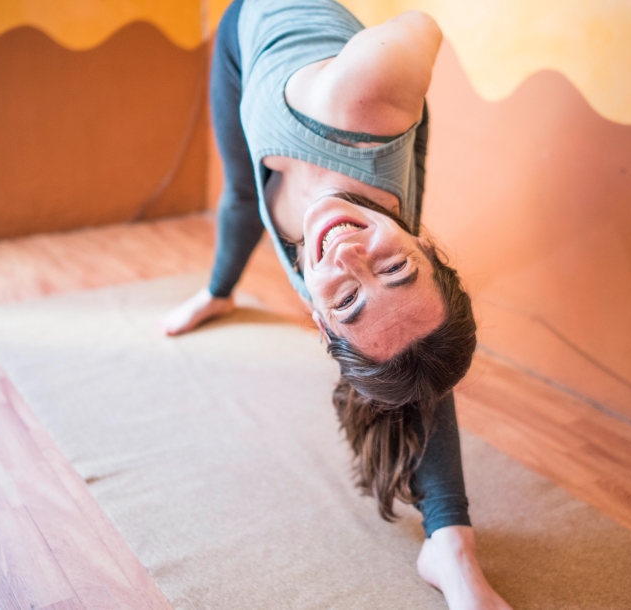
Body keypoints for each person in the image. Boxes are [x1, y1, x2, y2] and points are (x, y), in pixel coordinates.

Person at [161, 1, 511, 607]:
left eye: (348, 301)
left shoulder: (332, 284)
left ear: (321, 326)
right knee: (244, 191)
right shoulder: (365, 94)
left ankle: (450, 545)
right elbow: (424, 25)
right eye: (398, 267)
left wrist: (385, 278)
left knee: (411, 354)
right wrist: (380, 67)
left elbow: (399, 337)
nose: (349, 255)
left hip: (264, 61)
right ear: (429, 249)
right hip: (256, 26)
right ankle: (218, 292)